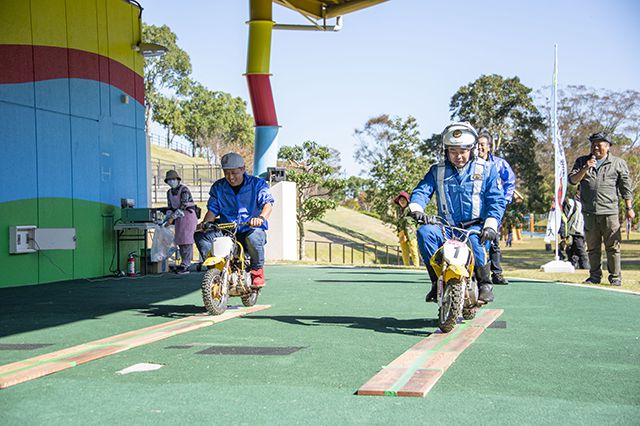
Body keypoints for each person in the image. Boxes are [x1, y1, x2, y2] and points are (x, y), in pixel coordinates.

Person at [409, 122, 506, 303]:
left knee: (475, 242)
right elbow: (422, 191)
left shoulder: (487, 170)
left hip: (475, 227)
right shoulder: (437, 171)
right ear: (446, 151)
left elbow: (496, 201)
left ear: (472, 149)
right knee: (425, 232)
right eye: (453, 151)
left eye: (463, 151)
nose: (458, 156)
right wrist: (416, 209)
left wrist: (491, 225)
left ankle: (485, 283)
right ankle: (436, 282)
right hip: (445, 227)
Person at [195, 152, 274, 287]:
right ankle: (215, 270)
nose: (230, 177)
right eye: (226, 173)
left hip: (249, 228)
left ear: (243, 169)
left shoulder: (257, 184)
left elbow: (267, 204)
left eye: (234, 173)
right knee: (201, 236)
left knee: (254, 238)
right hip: (227, 231)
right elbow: (212, 210)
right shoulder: (218, 187)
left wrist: (260, 218)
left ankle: (257, 271)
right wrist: (205, 224)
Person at [568, 132, 635, 286]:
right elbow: (572, 180)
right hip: (589, 212)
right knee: (592, 247)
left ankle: (615, 277)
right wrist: (585, 168)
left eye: (599, 144)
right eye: (593, 144)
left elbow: (626, 188)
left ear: (608, 146)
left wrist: (629, 208)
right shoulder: (582, 161)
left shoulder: (618, 163)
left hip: (610, 212)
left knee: (613, 247)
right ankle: (594, 276)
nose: (595, 147)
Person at [476, 129, 516, 285]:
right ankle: (476, 272)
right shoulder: (471, 164)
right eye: (477, 145)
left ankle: (497, 273)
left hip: (493, 208)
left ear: (489, 147)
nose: (479, 148)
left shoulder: (499, 163)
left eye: (482, 145)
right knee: (476, 238)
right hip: (475, 208)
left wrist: (504, 200)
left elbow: (510, 181)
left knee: (493, 240)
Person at [164, 170, 198, 274]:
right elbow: (170, 207)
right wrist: (167, 217)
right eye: (169, 180)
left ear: (178, 180)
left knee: (187, 240)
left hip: (188, 216)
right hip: (178, 218)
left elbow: (183, 206)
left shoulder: (184, 190)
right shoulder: (169, 192)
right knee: (180, 241)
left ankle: (186, 264)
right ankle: (183, 262)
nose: (171, 181)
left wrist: (172, 218)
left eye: (173, 179)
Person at [393, 191, 420, 267]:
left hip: (411, 231)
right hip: (402, 231)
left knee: (413, 248)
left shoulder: (411, 209)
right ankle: (406, 265)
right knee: (404, 250)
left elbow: (416, 220)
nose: (402, 201)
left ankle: (416, 266)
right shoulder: (399, 211)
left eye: (403, 200)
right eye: (400, 200)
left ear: (407, 200)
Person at [563, 196, 589, 270]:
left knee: (575, 255)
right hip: (575, 233)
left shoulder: (587, 202)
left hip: (583, 233)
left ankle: (576, 268)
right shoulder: (573, 203)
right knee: (582, 255)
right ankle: (586, 269)